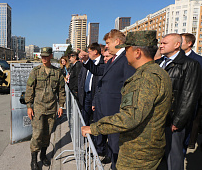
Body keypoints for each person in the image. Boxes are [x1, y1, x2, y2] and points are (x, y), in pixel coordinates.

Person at [81, 30, 173, 170]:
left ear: (137, 52)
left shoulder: (145, 78)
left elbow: (130, 117)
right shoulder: (157, 72)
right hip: (146, 148)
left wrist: (94, 128)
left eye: (127, 49)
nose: (125, 52)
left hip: (137, 153)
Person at [79, 29, 135, 168]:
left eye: (108, 43)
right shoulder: (113, 60)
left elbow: (129, 87)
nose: (106, 46)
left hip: (117, 111)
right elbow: (99, 71)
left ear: (117, 42)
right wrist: (86, 60)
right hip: (105, 109)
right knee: (112, 144)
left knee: (116, 146)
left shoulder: (127, 59)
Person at [156, 33, 201, 170]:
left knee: (173, 158)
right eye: (161, 43)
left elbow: (190, 95)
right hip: (156, 119)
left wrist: (178, 121)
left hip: (172, 121)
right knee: (159, 157)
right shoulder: (159, 63)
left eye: (164, 43)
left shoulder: (190, 64)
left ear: (177, 45)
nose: (161, 45)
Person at [25, 47, 65, 170]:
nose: (44, 58)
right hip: (38, 108)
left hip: (52, 108)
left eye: (46, 56)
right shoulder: (36, 71)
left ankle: (43, 155)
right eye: (42, 56)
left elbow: (61, 91)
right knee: (37, 135)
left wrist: (61, 106)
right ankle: (33, 160)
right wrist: (29, 107)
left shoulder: (57, 72)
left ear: (51, 56)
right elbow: (29, 89)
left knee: (47, 135)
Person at [180, 33, 202, 150]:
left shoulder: (198, 60)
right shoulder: (175, 58)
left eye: (181, 41)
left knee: (190, 125)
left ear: (189, 44)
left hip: (192, 100)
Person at [78, 43, 104, 125]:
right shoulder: (87, 63)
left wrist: (95, 100)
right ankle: (85, 137)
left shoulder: (104, 62)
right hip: (86, 95)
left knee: (96, 121)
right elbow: (81, 77)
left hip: (96, 96)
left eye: (89, 52)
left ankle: (93, 137)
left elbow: (97, 72)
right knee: (84, 119)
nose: (88, 53)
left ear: (95, 51)